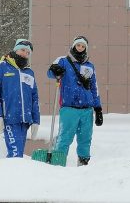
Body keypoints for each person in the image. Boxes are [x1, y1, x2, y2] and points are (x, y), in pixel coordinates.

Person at [47, 36, 103, 166]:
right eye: (78, 45)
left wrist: (98, 108)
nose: (80, 48)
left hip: (86, 109)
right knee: (65, 137)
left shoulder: (90, 66)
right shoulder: (63, 60)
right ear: (74, 46)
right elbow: (50, 73)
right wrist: (54, 70)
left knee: (85, 138)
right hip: (69, 108)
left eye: (83, 46)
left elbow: (94, 88)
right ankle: (58, 163)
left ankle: (83, 163)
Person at [0, 39, 40, 157]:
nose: (25, 54)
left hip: (25, 120)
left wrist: (36, 120)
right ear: (16, 49)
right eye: (22, 50)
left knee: (19, 154)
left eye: (28, 52)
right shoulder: (3, 67)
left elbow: (34, 97)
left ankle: (13, 175)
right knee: (15, 154)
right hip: (10, 118)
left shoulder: (29, 72)